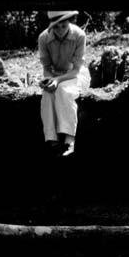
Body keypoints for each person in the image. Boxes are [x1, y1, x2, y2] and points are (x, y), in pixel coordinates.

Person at [38, 10, 91, 157]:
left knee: (64, 91)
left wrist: (57, 80)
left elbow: (76, 70)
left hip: (76, 75)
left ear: (70, 21)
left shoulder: (79, 35)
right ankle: (52, 139)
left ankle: (70, 139)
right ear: (51, 25)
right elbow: (47, 68)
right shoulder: (43, 38)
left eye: (63, 25)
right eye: (56, 26)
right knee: (47, 95)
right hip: (55, 75)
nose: (60, 30)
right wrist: (48, 80)